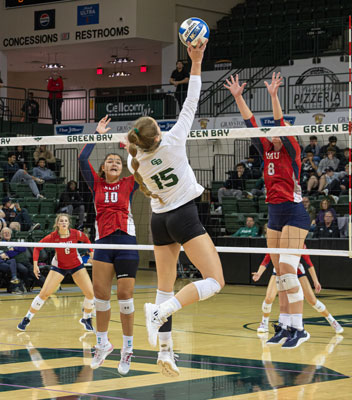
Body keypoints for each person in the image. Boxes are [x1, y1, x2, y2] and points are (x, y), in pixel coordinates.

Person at [129, 42, 225, 377]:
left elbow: (133, 146)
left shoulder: (135, 161)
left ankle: (166, 353)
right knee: (215, 281)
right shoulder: (173, 140)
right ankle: (162, 312)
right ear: (156, 135)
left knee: (163, 287)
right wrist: (196, 61)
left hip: (159, 221)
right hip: (183, 216)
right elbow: (192, 98)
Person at [226, 71, 310, 348]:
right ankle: (285, 326)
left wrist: (274, 96)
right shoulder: (265, 148)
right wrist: (238, 97)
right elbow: (250, 122)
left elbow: (277, 121)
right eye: (271, 131)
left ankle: (299, 328)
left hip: (294, 213)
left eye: (278, 130)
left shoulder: (292, 149)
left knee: (287, 269)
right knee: (279, 272)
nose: (273, 132)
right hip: (274, 214)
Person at [78, 119, 141, 376]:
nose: (114, 163)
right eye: (110, 161)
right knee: (100, 296)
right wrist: (96, 134)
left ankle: (128, 348)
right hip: (103, 242)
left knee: (125, 296)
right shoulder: (96, 184)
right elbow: (82, 160)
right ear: (103, 168)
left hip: (125, 240)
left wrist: (129, 148)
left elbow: (141, 165)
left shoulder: (129, 183)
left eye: (118, 161)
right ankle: (102, 344)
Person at [17, 214, 94, 332]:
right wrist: (35, 265)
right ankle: (27, 318)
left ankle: (86, 318)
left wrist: (91, 252)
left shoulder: (75, 233)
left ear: (69, 223)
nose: (64, 223)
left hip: (76, 266)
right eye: (61, 221)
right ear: (57, 224)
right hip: (59, 267)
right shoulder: (53, 236)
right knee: (44, 294)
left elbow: (87, 240)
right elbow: (37, 248)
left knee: (90, 293)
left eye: (66, 221)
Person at [253, 249, 343, 334]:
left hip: (297, 272)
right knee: (269, 298)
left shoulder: (299, 242)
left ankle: (332, 321)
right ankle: (264, 323)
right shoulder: (276, 240)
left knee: (312, 300)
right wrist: (259, 273)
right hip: (279, 272)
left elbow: (309, 263)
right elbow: (266, 260)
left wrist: (315, 281)